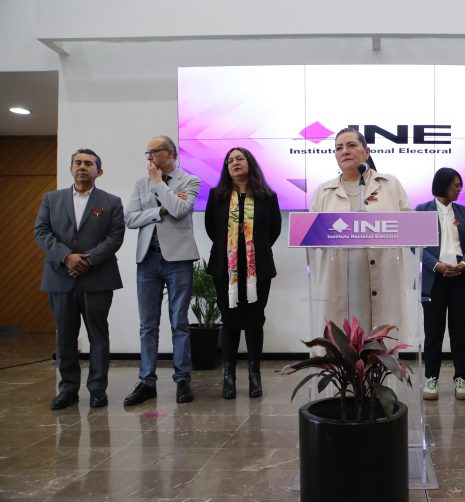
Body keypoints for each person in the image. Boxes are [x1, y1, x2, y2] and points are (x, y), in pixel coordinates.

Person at [34, 148, 125, 410]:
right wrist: (67, 257)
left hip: (98, 277)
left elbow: (115, 236)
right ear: (71, 168)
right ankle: (68, 389)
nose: (82, 167)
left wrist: (86, 260)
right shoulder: (51, 199)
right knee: (65, 336)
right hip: (60, 277)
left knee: (98, 335)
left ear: (99, 171)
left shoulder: (111, 202)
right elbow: (42, 232)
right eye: (77, 163)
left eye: (88, 163)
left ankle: (97, 389)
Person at [123, 135, 201, 406]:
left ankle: (182, 380)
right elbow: (130, 218)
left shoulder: (190, 181)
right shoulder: (140, 183)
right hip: (147, 260)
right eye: (147, 153)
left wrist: (158, 185)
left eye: (153, 152)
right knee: (148, 325)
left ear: (170, 153)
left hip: (178, 260)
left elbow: (180, 209)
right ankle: (147, 382)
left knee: (179, 322)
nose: (149, 158)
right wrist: (159, 210)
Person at [309, 128, 411, 332]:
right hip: (339, 281)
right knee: (343, 342)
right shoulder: (323, 191)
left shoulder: (390, 184)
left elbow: (410, 227)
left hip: (383, 278)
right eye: (339, 148)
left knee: (381, 342)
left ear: (367, 152)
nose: (344, 151)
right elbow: (311, 237)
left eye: (351, 145)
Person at [205, 147, 281, 399]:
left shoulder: (267, 196)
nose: (234, 163)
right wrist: (232, 252)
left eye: (239, 158)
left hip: (258, 268)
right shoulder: (217, 196)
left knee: (254, 320)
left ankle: (254, 375)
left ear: (250, 163)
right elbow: (211, 230)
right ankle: (228, 376)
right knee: (230, 322)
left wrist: (251, 251)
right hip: (224, 269)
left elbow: (273, 230)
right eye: (229, 161)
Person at [415, 168, 465, 401]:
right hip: (435, 281)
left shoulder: (463, 212)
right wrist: (437, 265)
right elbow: (417, 245)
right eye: (456, 185)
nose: (459, 189)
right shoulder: (422, 210)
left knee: (459, 333)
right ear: (443, 185)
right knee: (433, 333)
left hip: (462, 279)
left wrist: (464, 264)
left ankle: (461, 378)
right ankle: (431, 378)